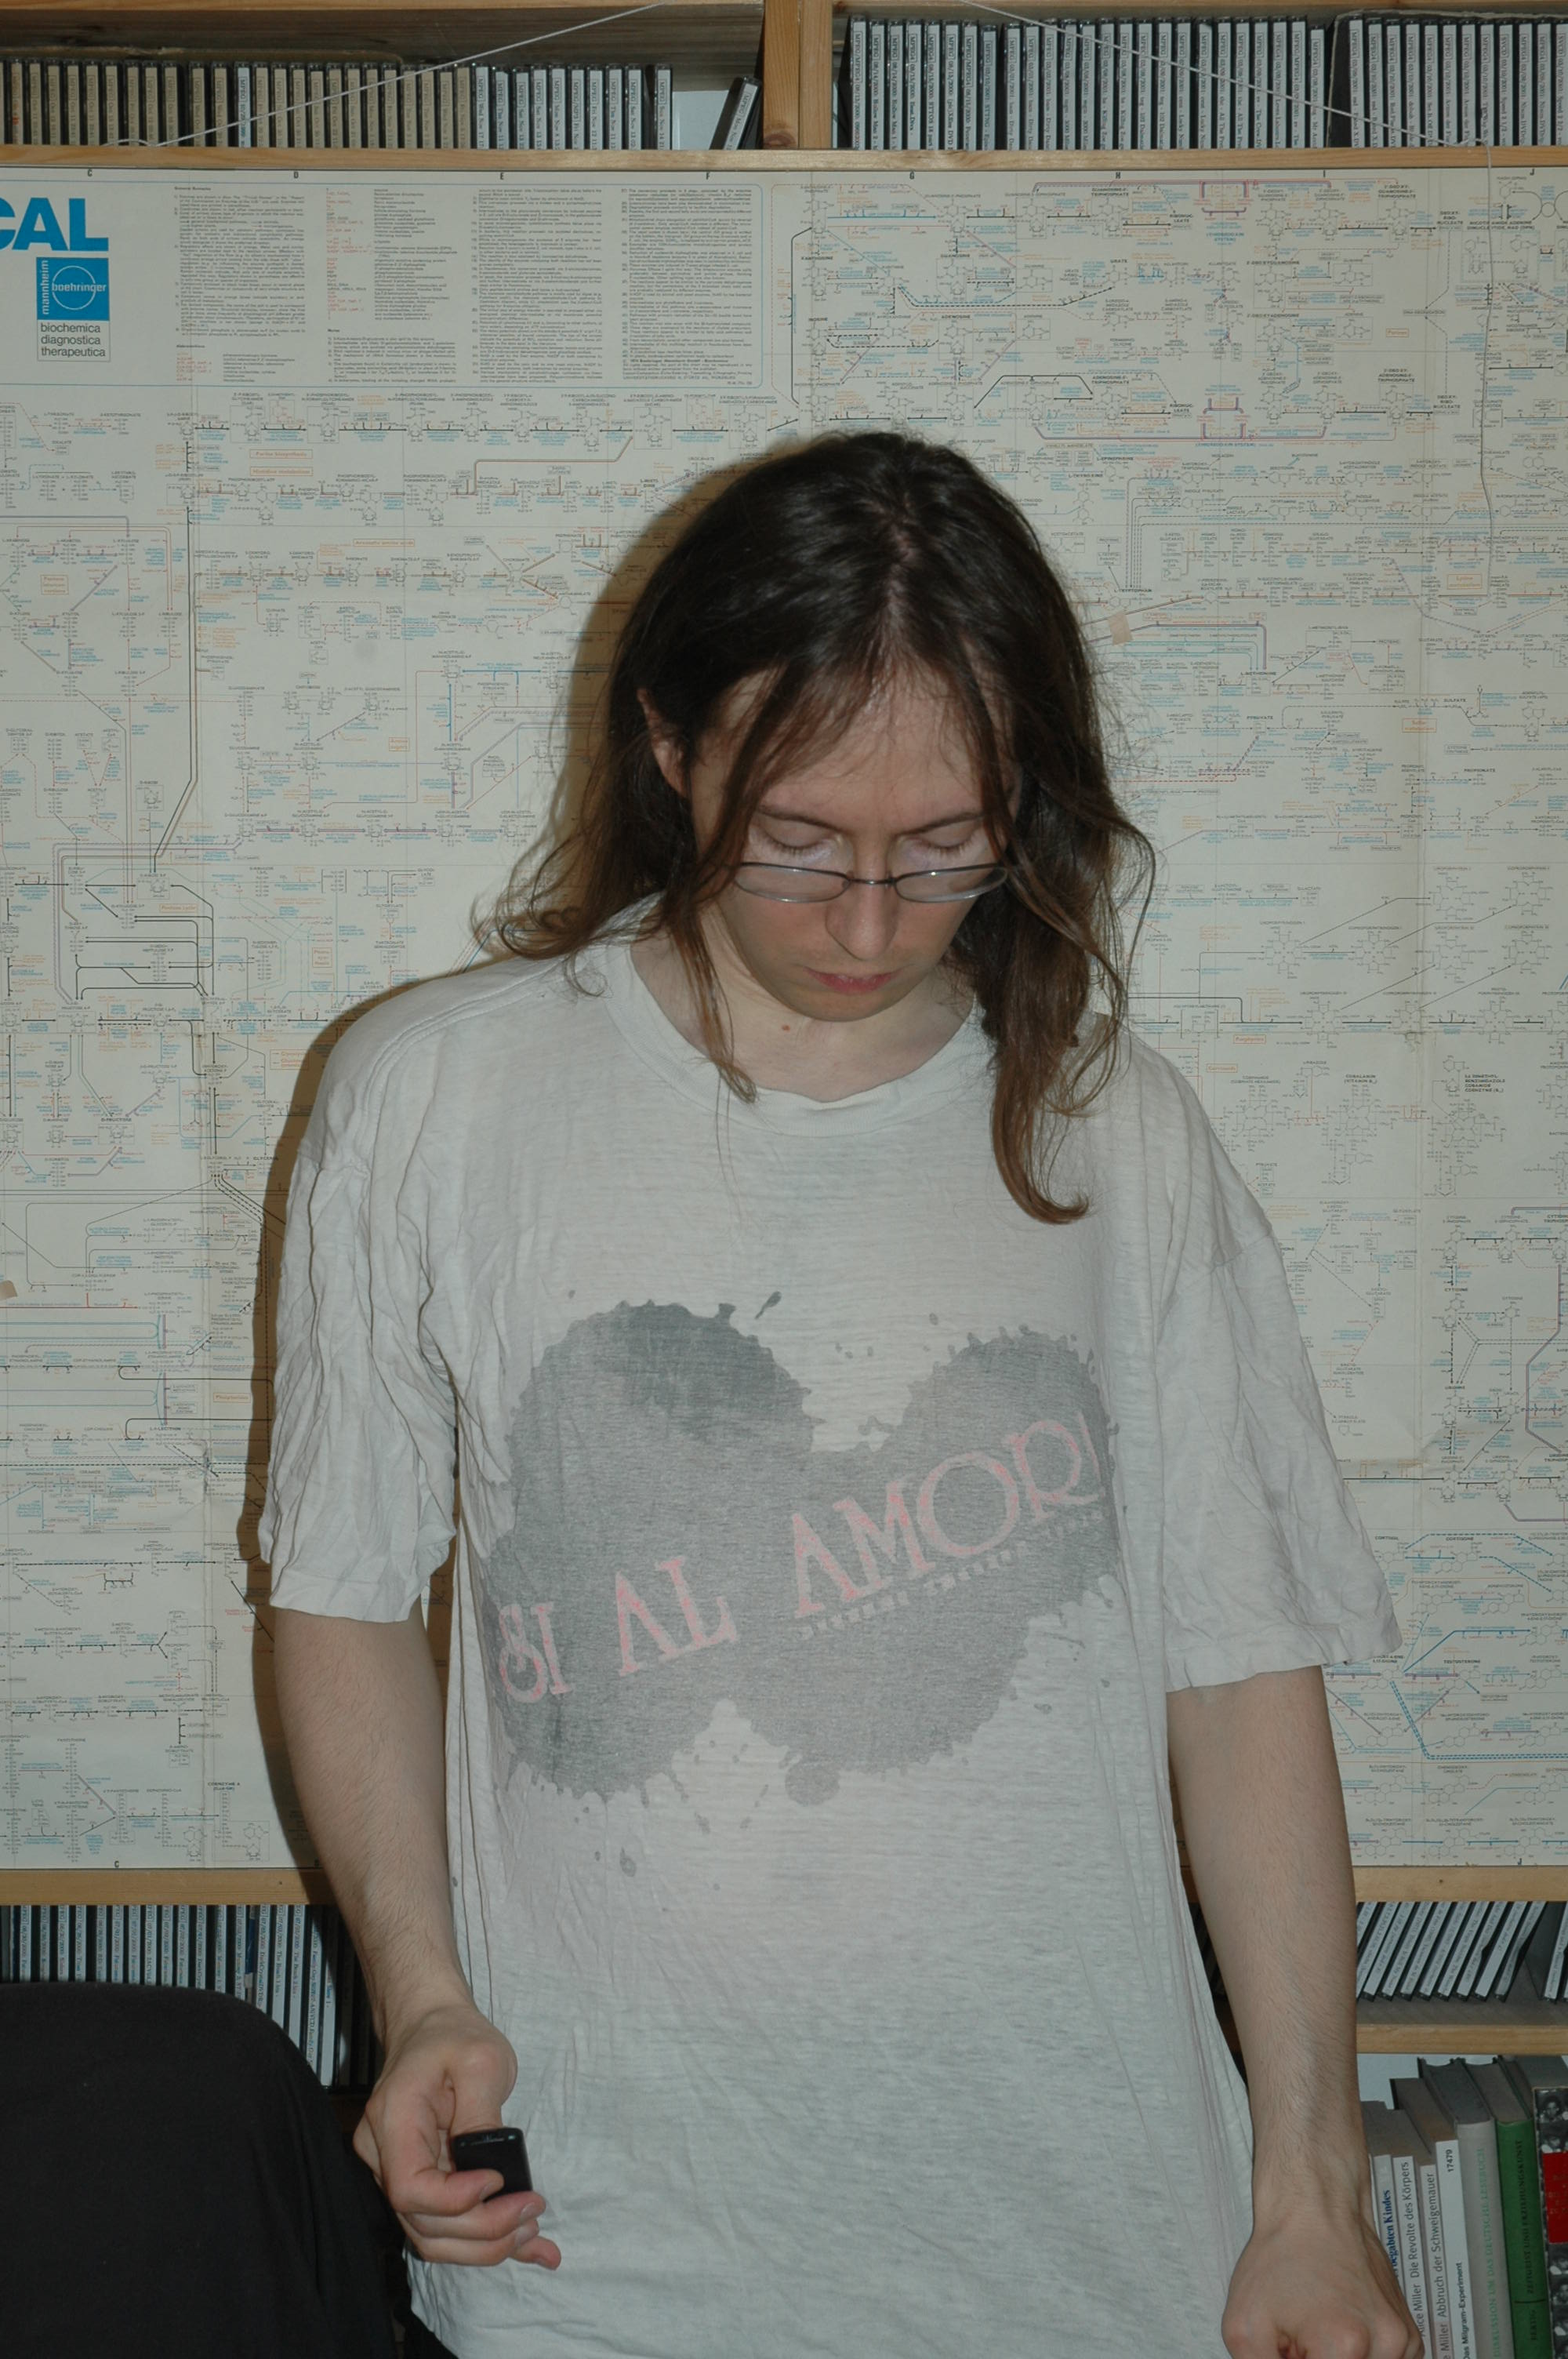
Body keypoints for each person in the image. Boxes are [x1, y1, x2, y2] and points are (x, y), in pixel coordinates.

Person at [261, 431, 1412, 2359]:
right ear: (670, 747)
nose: (869, 924)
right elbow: (342, 1588)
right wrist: (421, 1992)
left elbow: (1239, 1673)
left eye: (943, 849)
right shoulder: (433, 1096)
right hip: (598, 2258)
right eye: (798, 842)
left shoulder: (1116, 1134)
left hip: (1093, 2241)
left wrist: (1314, 2191)